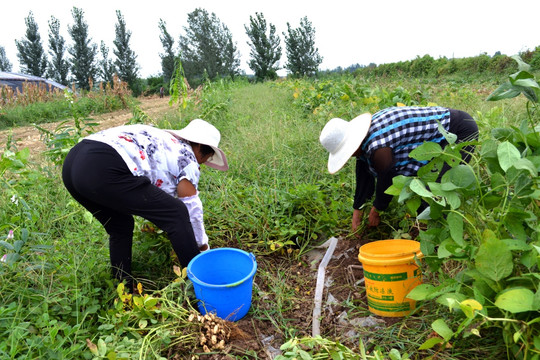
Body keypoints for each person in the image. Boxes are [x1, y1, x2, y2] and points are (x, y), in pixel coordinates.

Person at [62, 119, 228, 288]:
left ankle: (122, 287)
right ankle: (199, 283)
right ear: (200, 148)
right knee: (176, 213)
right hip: (102, 166)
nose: (201, 164)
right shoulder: (188, 157)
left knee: (120, 225)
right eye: (205, 159)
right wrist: (202, 247)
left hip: (73, 165)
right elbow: (191, 209)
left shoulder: (166, 141)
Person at [319, 106, 478, 233]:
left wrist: (377, 209)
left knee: (434, 191)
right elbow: (364, 175)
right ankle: (427, 229)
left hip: (459, 131)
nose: (349, 156)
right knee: (424, 186)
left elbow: (387, 176)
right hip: (446, 131)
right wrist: (357, 212)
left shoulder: (378, 147)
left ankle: (439, 237)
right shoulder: (365, 140)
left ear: (353, 146)